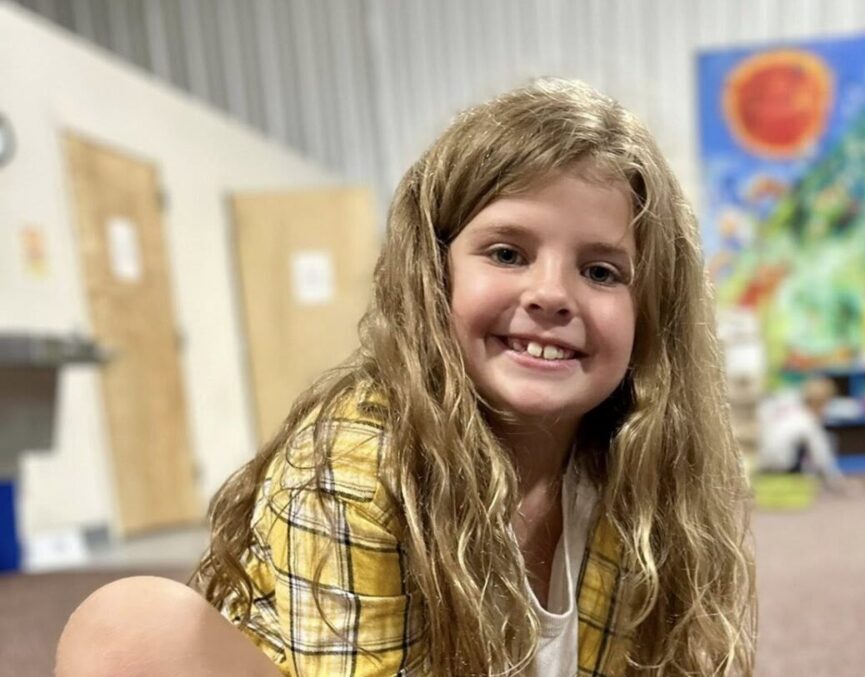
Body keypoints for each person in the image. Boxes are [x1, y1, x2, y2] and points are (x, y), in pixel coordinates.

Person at [56, 79, 757, 676]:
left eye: (601, 270)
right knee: (129, 624)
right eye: (508, 252)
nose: (552, 293)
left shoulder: (641, 466)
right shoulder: (358, 462)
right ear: (434, 275)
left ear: (651, 314)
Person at [756, 376, 847, 490]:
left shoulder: (784, 404)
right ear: (820, 404)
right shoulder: (808, 420)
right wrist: (835, 479)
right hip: (782, 468)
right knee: (824, 440)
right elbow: (821, 456)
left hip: (759, 463)